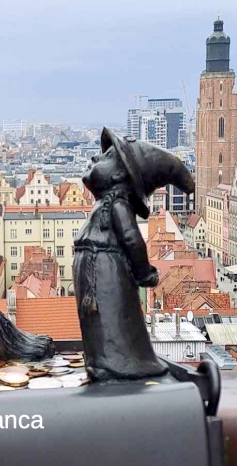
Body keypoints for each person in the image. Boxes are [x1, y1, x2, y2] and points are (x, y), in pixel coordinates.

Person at [73, 128, 195, 381]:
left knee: (111, 315)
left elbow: (132, 239)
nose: (94, 159)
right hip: (95, 266)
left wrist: (143, 272)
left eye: (105, 158)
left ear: (119, 174)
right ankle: (99, 359)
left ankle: (118, 363)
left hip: (107, 268)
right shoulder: (105, 203)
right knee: (97, 319)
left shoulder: (117, 204)